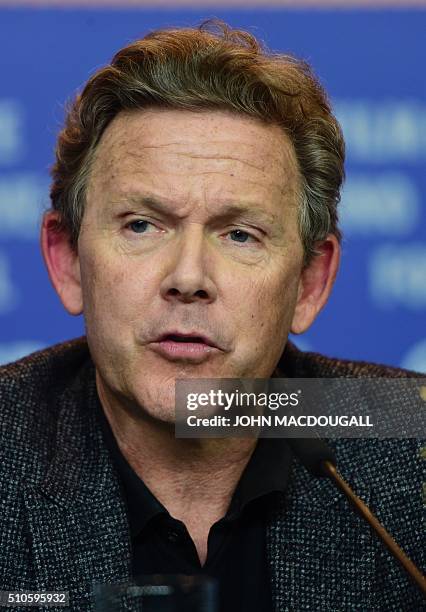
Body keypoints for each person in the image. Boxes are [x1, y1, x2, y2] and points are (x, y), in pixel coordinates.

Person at [0, 21, 424, 612]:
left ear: (310, 282)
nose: (189, 278)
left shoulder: (412, 436)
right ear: (67, 261)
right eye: (141, 225)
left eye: (241, 234)